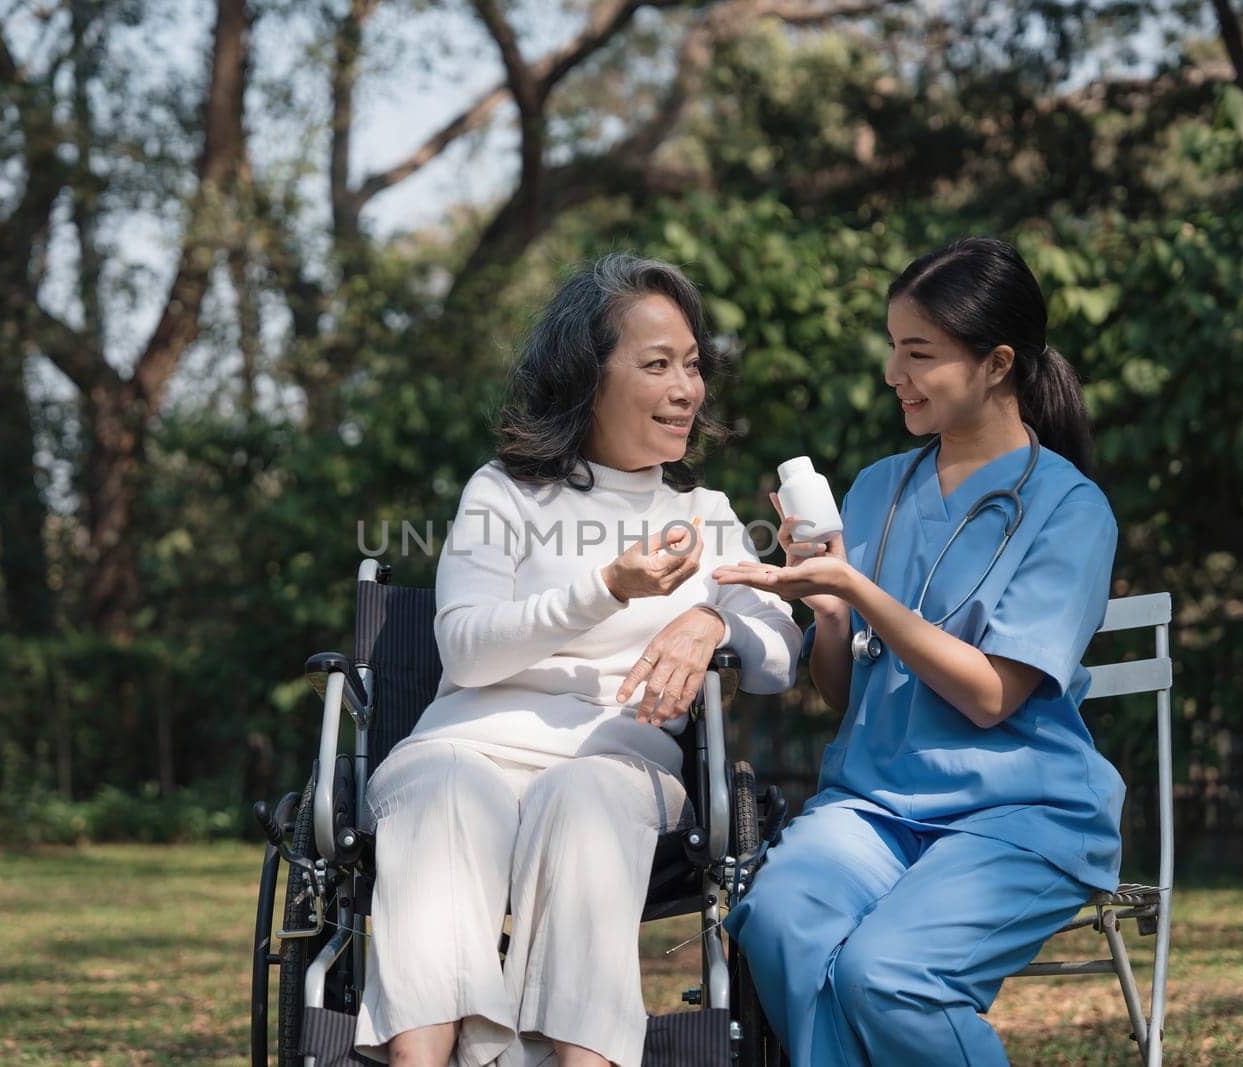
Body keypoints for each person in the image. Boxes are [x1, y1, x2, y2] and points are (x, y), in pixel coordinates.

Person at [357, 252, 802, 1067]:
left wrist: (712, 622)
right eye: (657, 364)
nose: (686, 389)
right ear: (586, 378)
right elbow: (466, 643)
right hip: (464, 745)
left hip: (617, 767)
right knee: (445, 788)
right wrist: (607, 586)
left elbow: (779, 654)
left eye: (693, 366)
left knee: (585, 794)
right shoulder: (504, 493)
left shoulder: (705, 513)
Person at [715, 236, 1123, 1066]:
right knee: (778, 916)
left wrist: (863, 592)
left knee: (889, 974)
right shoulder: (876, 489)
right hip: (874, 806)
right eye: (892, 347)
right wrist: (830, 612)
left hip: (1019, 814)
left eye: (919, 352)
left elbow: (991, 696)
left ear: (998, 363)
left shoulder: (1070, 510)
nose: (894, 373)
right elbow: (844, 691)